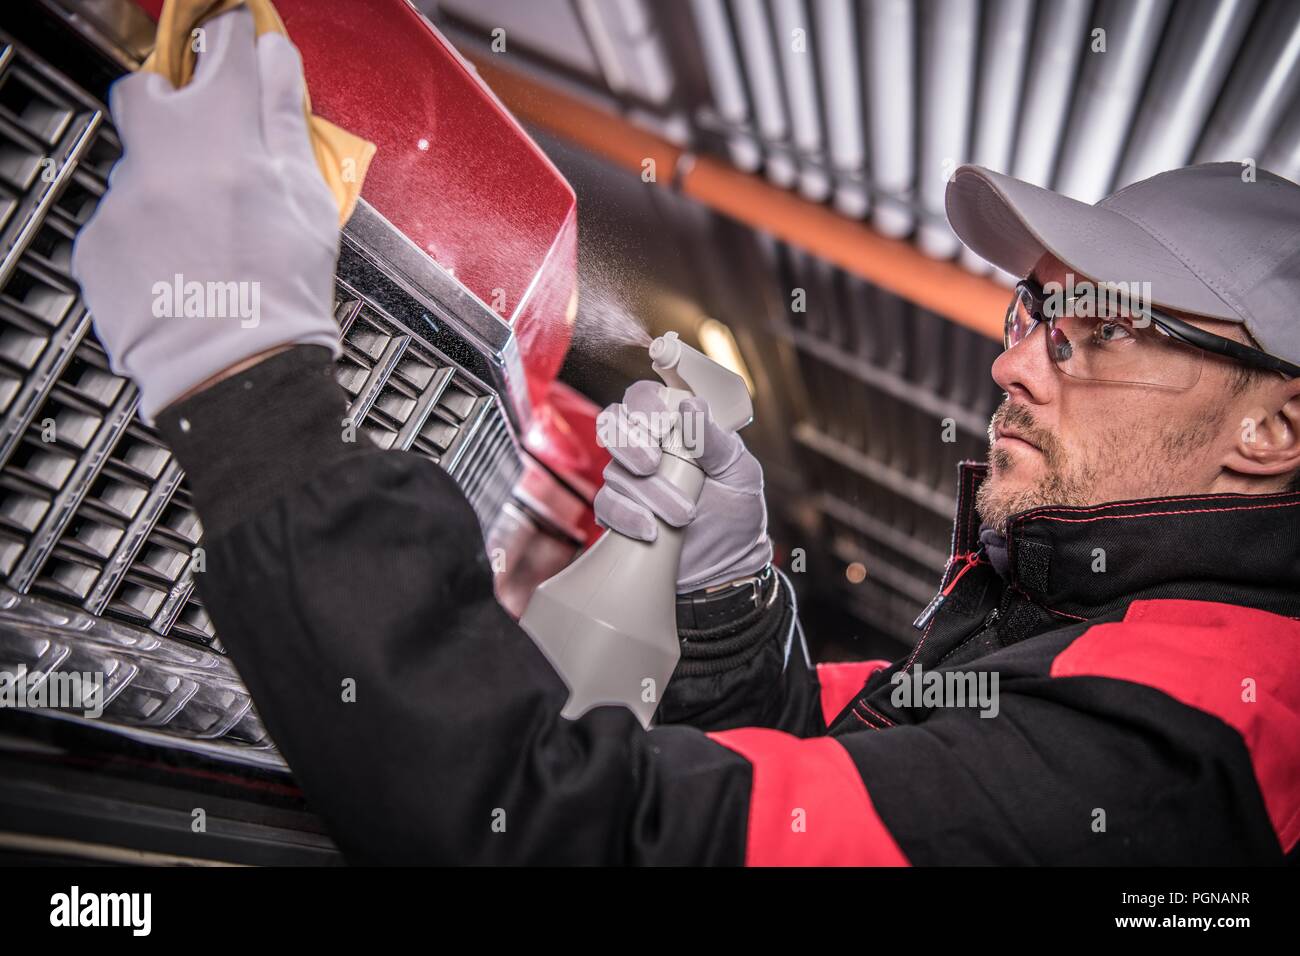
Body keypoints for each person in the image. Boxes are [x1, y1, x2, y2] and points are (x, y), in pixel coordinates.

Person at [72, 10, 1300, 864]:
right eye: (1032, 306)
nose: (1011, 357)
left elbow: (581, 838)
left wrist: (246, 391)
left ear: (1272, 429)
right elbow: (822, 764)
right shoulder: (1067, 631)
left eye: (1087, 322)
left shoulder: (1194, 741)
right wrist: (727, 593)